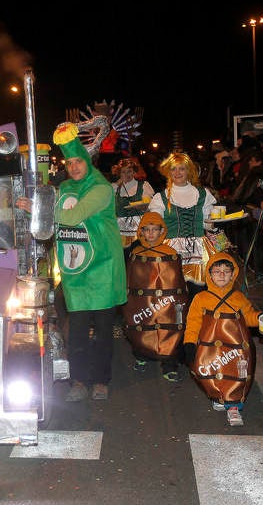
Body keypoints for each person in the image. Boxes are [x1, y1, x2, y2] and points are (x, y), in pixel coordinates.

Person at [16, 122, 127, 401]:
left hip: (102, 269)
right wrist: (34, 209)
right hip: (76, 270)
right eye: (70, 162)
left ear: (88, 161)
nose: (74, 167)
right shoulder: (64, 186)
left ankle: (101, 380)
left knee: (102, 331)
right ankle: (78, 381)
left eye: (79, 161)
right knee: (76, 331)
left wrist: (39, 208)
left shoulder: (101, 189)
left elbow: (70, 216)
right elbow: (52, 222)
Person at [183, 252, 263, 427]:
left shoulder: (239, 298)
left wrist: (261, 317)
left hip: (234, 348)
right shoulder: (201, 299)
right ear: (209, 274)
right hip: (210, 348)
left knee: (235, 375)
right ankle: (218, 395)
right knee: (210, 373)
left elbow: (249, 317)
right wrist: (189, 343)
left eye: (226, 271)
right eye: (217, 271)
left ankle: (233, 406)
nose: (221, 275)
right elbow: (193, 323)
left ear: (233, 274)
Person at [122, 211, 189, 382]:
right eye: (147, 229)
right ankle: (141, 356)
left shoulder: (170, 252)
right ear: (141, 231)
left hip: (167, 304)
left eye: (155, 229)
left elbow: (177, 280)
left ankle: (169, 365)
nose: (151, 233)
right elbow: (130, 279)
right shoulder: (136, 252)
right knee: (141, 324)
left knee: (170, 328)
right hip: (142, 302)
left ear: (162, 231)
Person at [147, 152, 218, 293]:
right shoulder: (160, 197)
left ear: (189, 171)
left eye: (182, 168)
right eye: (173, 169)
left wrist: (215, 224)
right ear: (169, 172)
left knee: (198, 291)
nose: (177, 172)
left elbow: (207, 223)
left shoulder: (203, 194)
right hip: (171, 250)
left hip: (198, 250)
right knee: (173, 292)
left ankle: (195, 315)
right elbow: (155, 226)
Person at [111, 157, 154, 253]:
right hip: (120, 233)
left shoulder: (143, 185)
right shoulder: (116, 189)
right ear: (119, 173)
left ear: (134, 172)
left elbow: (149, 204)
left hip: (139, 232)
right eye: (123, 172)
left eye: (129, 171)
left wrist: (144, 207)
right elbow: (106, 194)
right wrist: (119, 182)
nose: (127, 174)